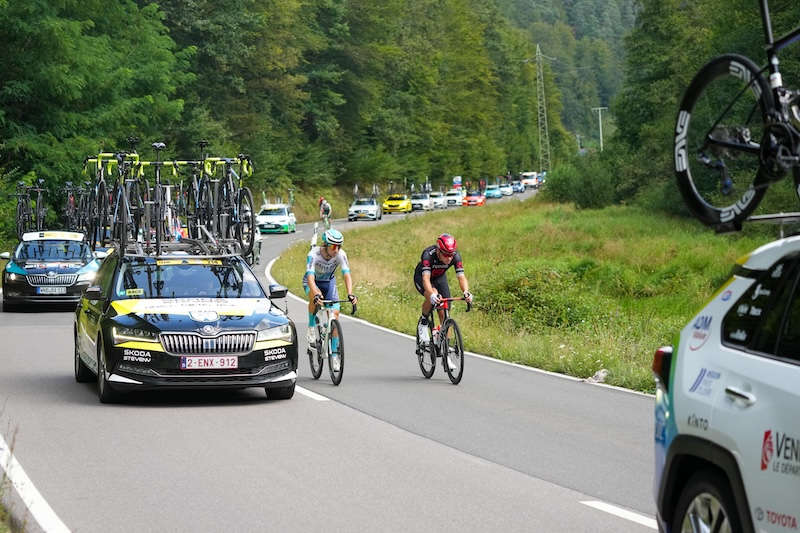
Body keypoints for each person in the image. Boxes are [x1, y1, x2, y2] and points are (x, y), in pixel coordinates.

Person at [303, 228, 358, 371]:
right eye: (334, 246)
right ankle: (310, 327)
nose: (337, 250)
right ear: (326, 245)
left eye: (339, 246)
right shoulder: (313, 254)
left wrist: (350, 293)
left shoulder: (340, 254)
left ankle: (334, 355)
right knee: (314, 298)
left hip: (329, 283)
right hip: (313, 282)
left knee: (335, 315)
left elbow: (346, 274)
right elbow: (310, 277)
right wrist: (315, 292)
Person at [414, 233, 473, 346]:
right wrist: (431, 294)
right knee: (434, 295)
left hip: (439, 278)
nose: (449, 258)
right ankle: (423, 322)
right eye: (446, 255)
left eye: (451, 255)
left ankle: (444, 347)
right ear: (438, 251)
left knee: (444, 311)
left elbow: (461, 277)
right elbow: (426, 279)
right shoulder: (428, 255)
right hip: (422, 277)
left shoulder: (455, 256)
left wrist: (466, 292)